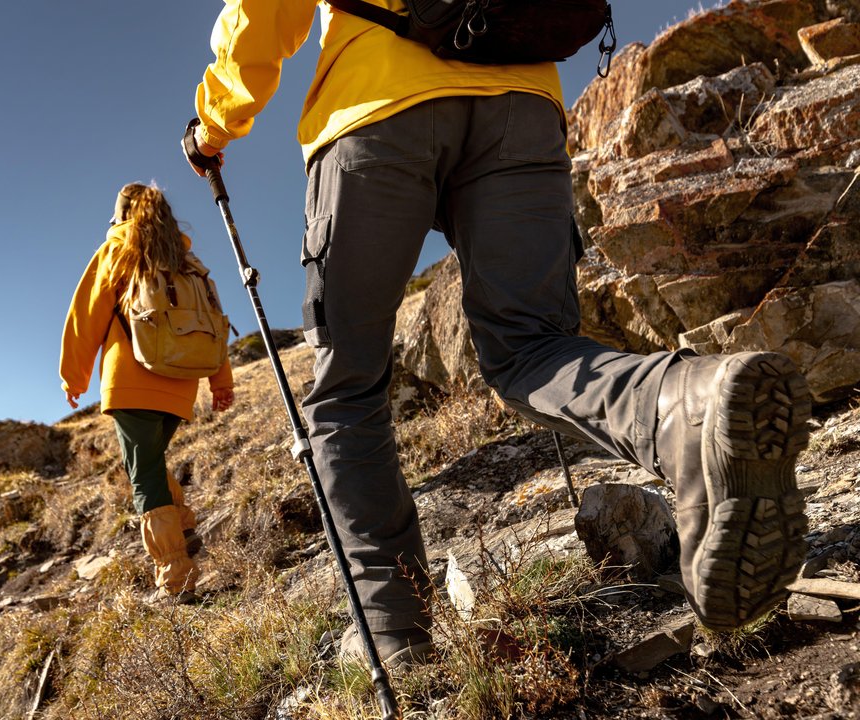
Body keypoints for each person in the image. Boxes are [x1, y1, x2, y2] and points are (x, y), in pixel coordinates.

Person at [185, 1, 811, 665]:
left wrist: (216, 121)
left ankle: (396, 635)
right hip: (521, 97)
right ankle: (692, 405)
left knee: (347, 394)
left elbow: (261, 12)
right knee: (530, 347)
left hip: (376, 106)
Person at [60, 182, 235, 604]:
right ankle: (186, 527)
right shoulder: (189, 263)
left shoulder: (118, 252)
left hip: (131, 381)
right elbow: (213, 321)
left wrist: (74, 377)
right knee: (150, 465)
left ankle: (174, 577)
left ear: (121, 218)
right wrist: (221, 381)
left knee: (144, 479)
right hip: (181, 384)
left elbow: (86, 317)